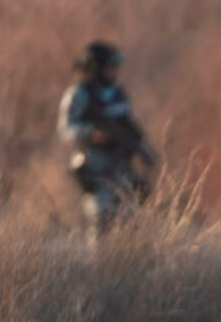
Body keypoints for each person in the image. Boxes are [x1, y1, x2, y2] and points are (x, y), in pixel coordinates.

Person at [57, 41, 157, 235]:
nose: (114, 72)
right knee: (101, 217)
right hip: (93, 165)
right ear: (97, 68)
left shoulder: (117, 94)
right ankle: (98, 264)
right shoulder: (78, 94)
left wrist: (142, 148)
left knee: (131, 218)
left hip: (121, 166)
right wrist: (90, 133)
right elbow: (64, 129)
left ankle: (126, 262)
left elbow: (129, 126)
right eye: (110, 67)